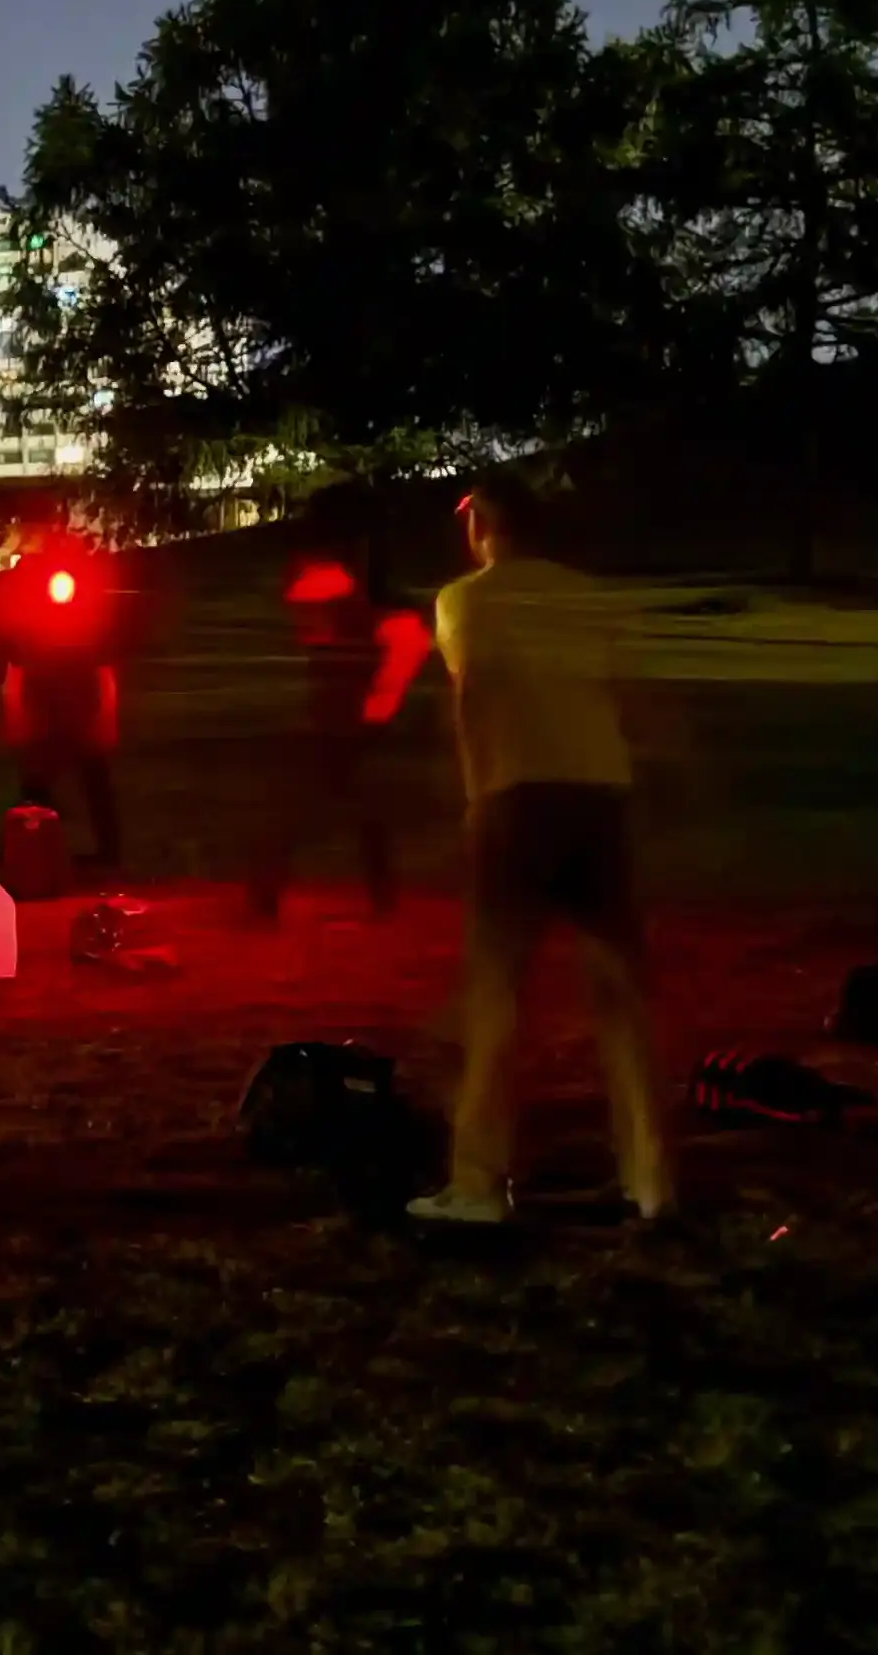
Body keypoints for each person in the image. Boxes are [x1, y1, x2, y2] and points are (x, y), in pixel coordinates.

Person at [410, 473, 671, 1226]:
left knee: (495, 996)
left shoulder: (463, 600)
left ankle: (477, 1182)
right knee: (620, 994)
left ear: (483, 525)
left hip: (518, 798)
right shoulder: (585, 596)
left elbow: (473, 698)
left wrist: (473, 797)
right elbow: (626, 696)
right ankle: (650, 1179)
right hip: (597, 792)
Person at [253, 558, 428, 921]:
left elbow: (393, 676)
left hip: (359, 733)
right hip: (339, 731)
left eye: (314, 610)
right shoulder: (338, 636)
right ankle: (268, 894)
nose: (306, 620)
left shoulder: (390, 630)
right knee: (311, 812)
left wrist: (368, 720)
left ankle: (380, 896)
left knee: (357, 815)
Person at [0, 551, 123, 866]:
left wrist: (103, 713)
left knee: (93, 780)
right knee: (38, 787)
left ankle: (107, 853)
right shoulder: (30, 626)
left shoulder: (88, 625)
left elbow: (101, 667)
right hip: (47, 707)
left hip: (79, 705)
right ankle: (22, 852)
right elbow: (18, 666)